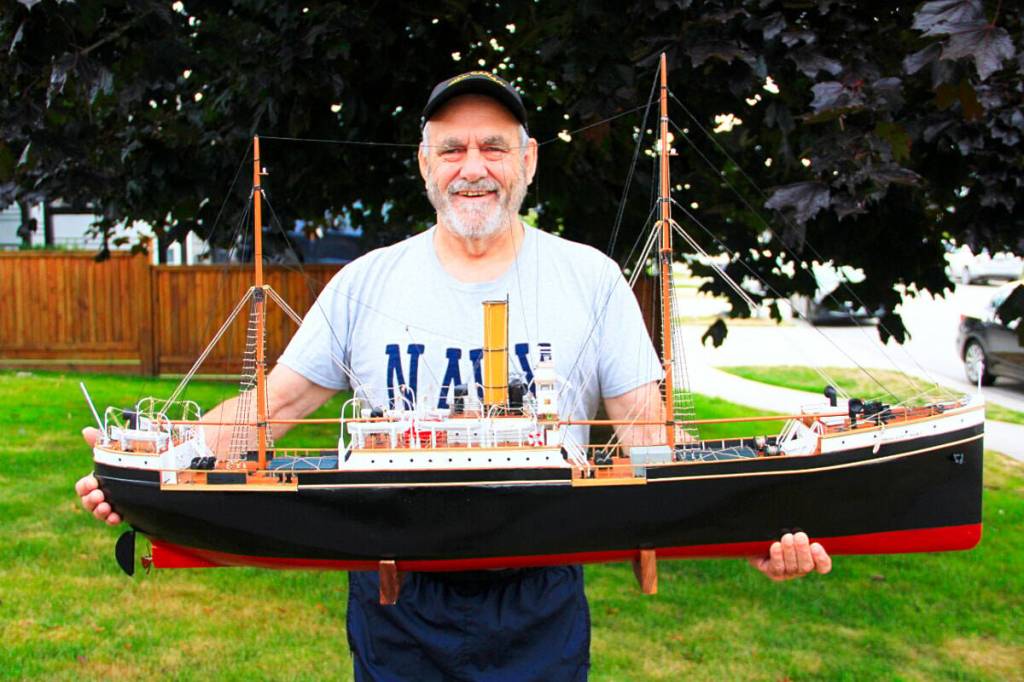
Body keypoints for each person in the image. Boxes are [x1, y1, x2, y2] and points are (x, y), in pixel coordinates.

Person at [77, 71, 832, 681]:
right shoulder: (364, 284)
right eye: (453, 149)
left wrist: (754, 523)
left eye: (494, 148)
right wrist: (157, 461)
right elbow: (267, 412)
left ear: (528, 160)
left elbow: (651, 442)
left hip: (540, 600)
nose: (474, 169)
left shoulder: (592, 281)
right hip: (398, 604)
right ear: (425, 164)